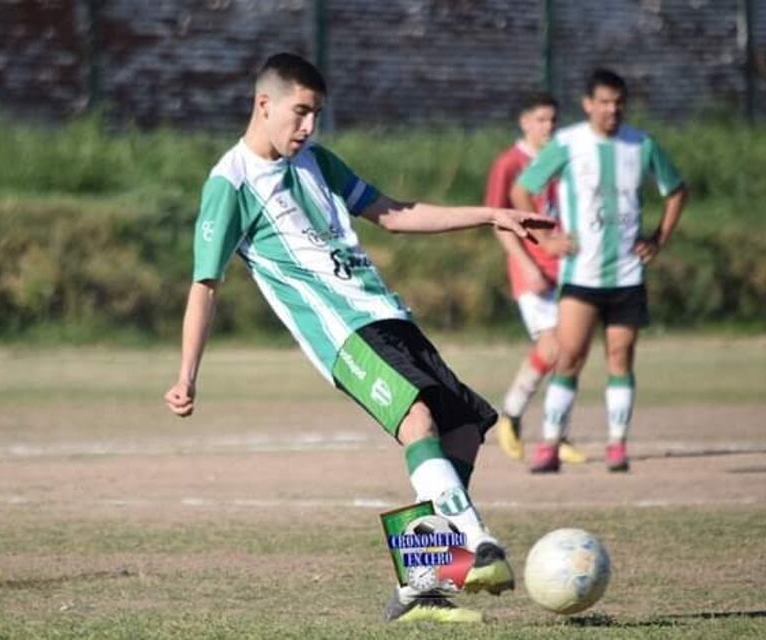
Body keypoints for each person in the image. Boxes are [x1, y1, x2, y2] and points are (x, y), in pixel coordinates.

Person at [163, 53, 554, 623]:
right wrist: (186, 375)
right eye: (300, 113)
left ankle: (423, 583)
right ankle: (478, 540)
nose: (309, 127)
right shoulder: (231, 183)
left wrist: (492, 214)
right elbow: (205, 285)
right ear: (263, 104)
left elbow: (394, 213)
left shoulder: (318, 161)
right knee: (417, 420)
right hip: (340, 333)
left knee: (464, 428)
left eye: (316, 114)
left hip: (388, 315)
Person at [511, 68, 688, 473]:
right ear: (588, 104)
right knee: (569, 356)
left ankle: (616, 445)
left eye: (619, 102)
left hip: (627, 274)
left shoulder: (641, 145)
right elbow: (523, 189)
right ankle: (550, 445)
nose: (613, 109)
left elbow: (676, 191)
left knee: (620, 355)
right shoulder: (568, 143)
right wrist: (546, 237)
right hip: (581, 275)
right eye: (604, 102)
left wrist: (659, 238)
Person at [487, 93, 588, 465]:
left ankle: (556, 434)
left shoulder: (561, 159)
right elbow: (499, 222)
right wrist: (527, 265)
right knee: (551, 347)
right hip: (531, 267)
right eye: (541, 120)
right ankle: (510, 416)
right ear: (524, 123)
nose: (549, 127)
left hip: (567, 267)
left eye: (553, 120)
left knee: (571, 350)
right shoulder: (510, 163)